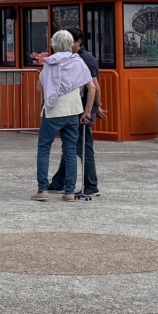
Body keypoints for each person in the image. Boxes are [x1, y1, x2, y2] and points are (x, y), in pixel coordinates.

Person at [33, 30, 97, 202]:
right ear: (71, 44)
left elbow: (39, 87)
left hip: (53, 111)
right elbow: (92, 88)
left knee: (44, 148)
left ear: (53, 45)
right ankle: (69, 192)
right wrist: (87, 111)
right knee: (70, 150)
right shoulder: (79, 62)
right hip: (73, 109)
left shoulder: (50, 63)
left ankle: (42, 190)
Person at [49, 27, 103, 197]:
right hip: (80, 108)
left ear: (78, 42)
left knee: (83, 148)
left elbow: (94, 86)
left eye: (69, 41)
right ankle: (59, 181)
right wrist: (96, 106)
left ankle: (91, 184)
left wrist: (91, 109)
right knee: (70, 146)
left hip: (81, 111)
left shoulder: (82, 59)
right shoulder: (82, 58)